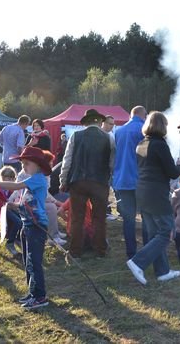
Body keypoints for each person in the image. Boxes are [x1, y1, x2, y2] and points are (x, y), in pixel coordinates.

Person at [0, 146, 54, 310]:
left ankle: (40, 296)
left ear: (37, 164)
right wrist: (14, 205)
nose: (23, 166)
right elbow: (26, 203)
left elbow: (16, 186)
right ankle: (32, 292)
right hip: (27, 224)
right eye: (22, 163)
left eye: (26, 163)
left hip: (36, 226)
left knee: (34, 261)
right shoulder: (31, 181)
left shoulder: (38, 179)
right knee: (28, 261)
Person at [126, 111, 180, 285]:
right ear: (162, 126)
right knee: (166, 232)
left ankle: (162, 271)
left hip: (142, 191)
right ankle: (138, 262)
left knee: (153, 234)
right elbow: (172, 173)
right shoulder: (160, 145)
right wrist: (179, 165)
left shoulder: (141, 144)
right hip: (156, 193)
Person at [59, 109, 115, 258]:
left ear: (85, 123)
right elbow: (112, 164)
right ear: (99, 121)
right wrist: (108, 180)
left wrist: (63, 180)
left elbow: (67, 160)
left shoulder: (75, 136)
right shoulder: (108, 138)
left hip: (78, 181)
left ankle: (75, 251)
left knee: (77, 218)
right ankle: (100, 250)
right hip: (100, 183)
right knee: (99, 218)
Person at [113, 106, 147, 259]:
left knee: (128, 218)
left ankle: (131, 252)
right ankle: (147, 249)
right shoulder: (144, 130)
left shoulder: (118, 131)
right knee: (146, 217)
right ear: (143, 115)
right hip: (139, 179)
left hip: (122, 179)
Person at [0, 166, 24, 256]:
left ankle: (17, 238)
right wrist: (5, 205)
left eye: (12, 178)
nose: (11, 180)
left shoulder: (11, 189)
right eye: (8, 177)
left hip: (8, 210)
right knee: (18, 222)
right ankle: (10, 242)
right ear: (2, 177)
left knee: (23, 219)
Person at [101, 115, 117, 221]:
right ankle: (105, 212)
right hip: (101, 170)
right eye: (110, 124)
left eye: (113, 124)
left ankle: (106, 211)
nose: (112, 126)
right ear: (104, 123)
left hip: (107, 170)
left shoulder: (110, 136)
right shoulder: (102, 135)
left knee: (106, 192)